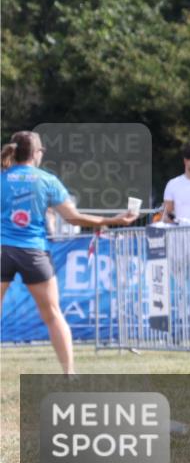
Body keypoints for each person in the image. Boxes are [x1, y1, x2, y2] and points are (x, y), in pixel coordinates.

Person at [1, 131, 138, 375]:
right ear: (36, 153)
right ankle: (69, 373)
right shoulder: (46, 180)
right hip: (34, 252)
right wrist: (115, 220)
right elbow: (73, 217)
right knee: (53, 314)